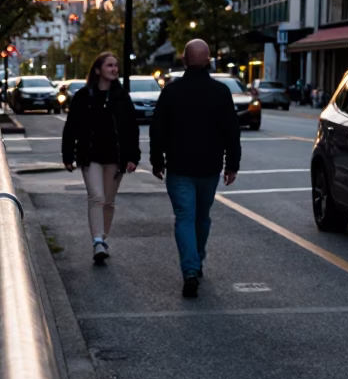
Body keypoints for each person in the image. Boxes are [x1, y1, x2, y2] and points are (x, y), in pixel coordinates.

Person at [150, 38, 240, 299]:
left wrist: (157, 161)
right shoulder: (221, 92)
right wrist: (232, 164)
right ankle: (196, 258)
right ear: (209, 60)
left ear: (184, 59)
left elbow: (158, 129)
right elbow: (231, 131)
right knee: (202, 217)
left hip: (179, 165)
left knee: (184, 217)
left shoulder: (171, 91)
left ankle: (190, 269)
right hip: (210, 166)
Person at [62, 50, 140, 264]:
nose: (114, 69)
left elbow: (132, 129)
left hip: (115, 157)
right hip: (90, 156)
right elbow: (71, 128)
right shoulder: (83, 96)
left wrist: (133, 157)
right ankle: (97, 241)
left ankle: (103, 239)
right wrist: (68, 154)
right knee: (96, 197)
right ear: (97, 70)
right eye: (109, 65)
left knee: (108, 201)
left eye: (116, 65)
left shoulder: (122, 97)